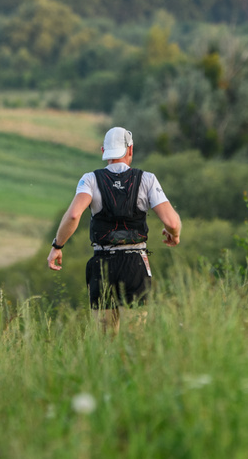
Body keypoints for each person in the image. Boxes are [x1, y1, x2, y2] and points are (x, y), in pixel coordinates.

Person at [48, 126, 181, 326]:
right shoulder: (147, 179)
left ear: (103, 152)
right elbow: (171, 222)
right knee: (135, 339)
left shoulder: (90, 180)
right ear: (130, 150)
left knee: (104, 342)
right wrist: (174, 234)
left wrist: (57, 246)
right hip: (135, 263)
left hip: (102, 264)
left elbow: (74, 215)